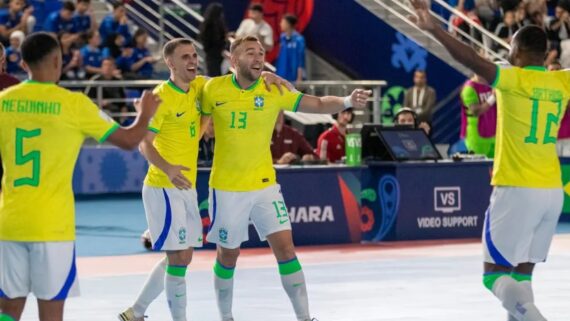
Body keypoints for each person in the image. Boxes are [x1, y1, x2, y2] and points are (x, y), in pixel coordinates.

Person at [410, 1, 568, 321]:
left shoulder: (512, 78)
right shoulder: (562, 81)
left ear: (521, 52)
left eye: (511, 46)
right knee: (521, 276)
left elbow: (469, 58)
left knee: (493, 276)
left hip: (516, 187)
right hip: (553, 191)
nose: (507, 52)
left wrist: (434, 28)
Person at [117, 38, 293, 321]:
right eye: (185, 57)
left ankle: (135, 311)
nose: (192, 61)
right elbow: (143, 144)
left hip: (184, 186)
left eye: (194, 56)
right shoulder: (161, 97)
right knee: (178, 260)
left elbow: (238, 77)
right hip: (164, 185)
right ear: (170, 63)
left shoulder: (199, 85)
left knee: (182, 257)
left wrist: (266, 76)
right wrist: (168, 168)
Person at [201, 35, 371, 321]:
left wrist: (345, 100)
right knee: (227, 256)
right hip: (226, 188)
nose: (258, 58)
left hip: (265, 186)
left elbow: (316, 104)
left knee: (286, 249)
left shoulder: (273, 89)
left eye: (261, 53)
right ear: (233, 60)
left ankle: (305, 317)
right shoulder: (212, 88)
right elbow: (198, 121)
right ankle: (225, 317)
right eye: (250, 53)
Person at [0, 31, 160, 321]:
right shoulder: (73, 105)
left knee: (8, 309)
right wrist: (145, 114)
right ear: (58, 60)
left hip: (8, 222)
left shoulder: (4, 101)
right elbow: (128, 140)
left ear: (23, 65)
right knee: (50, 311)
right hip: (51, 226)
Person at [459, 73, 497, 157]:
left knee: (496, 168)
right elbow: (476, 111)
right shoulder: (469, 89)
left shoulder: (491, 85)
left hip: (493, 135)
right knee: (480, 167)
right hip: (477, 137)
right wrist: (493, 97)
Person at [199, 2, 228, 77]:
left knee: (212, 75)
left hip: (210, 54)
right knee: (217, 75)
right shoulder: (218, 26)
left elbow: (204, 40)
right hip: (217, 54)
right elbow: (219, 41)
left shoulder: (206, 25)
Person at [276, 14, 306, 83]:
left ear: (288, 24)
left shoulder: (299, 40)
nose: (280, 24)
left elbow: (300, 60)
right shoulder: (282, 38)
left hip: (293, 77)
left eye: (282, 22)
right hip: (281, 76)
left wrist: (299, 78)